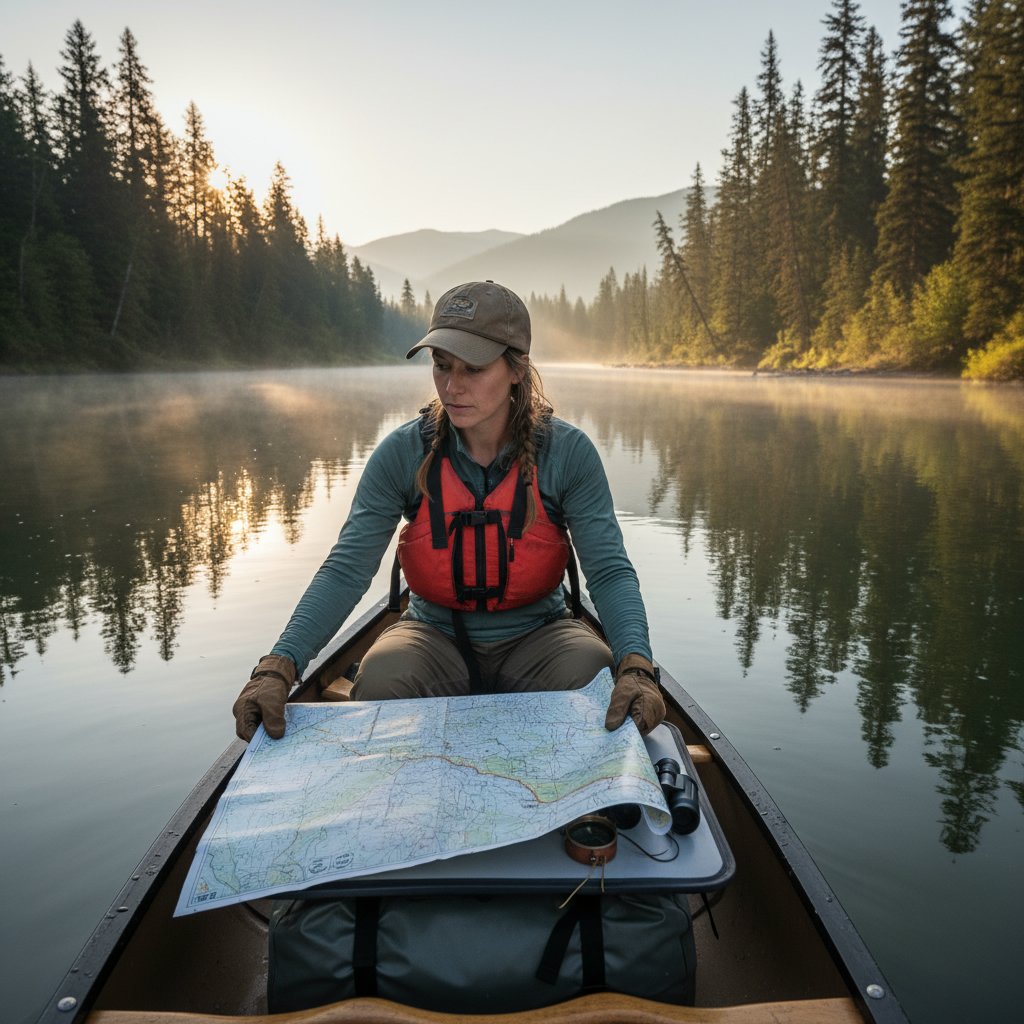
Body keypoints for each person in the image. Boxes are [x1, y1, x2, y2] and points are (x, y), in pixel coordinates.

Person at [233, 281, 665, 741]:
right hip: (431, 636)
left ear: (516, 368)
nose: (452, 386)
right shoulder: (402, 453)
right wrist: (278, 667)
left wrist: (636, 665)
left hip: (541, 636)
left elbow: (609, 571)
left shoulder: (567, 454)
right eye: (442, 365)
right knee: (381, 679)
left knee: (596, 678)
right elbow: (346, 569)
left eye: (474, 368)